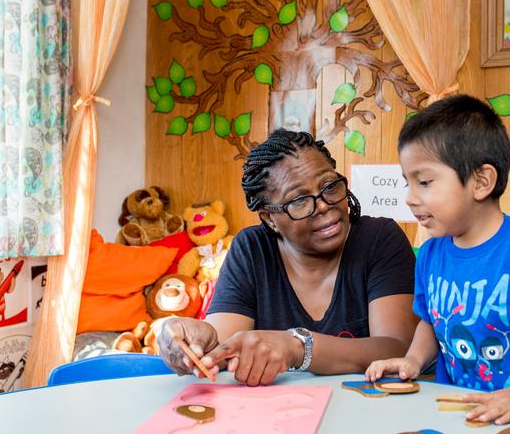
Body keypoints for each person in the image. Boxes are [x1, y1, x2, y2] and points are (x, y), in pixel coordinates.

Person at [365, 94, 510, 426]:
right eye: (407, 183)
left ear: (482, 181)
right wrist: (413, 359)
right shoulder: (429, 254)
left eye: (424, 182)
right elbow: (430, 321)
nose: (410, 198)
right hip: (462, 415)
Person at [159, 129, 418, 386]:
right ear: (269, 218)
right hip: (283, 417)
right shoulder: (252, 250)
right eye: (299, 201)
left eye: (330, 186)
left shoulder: (379, 239)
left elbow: (398, 348)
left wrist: (297, 347)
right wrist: (198, 342)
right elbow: (224, 349)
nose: (324, 205)